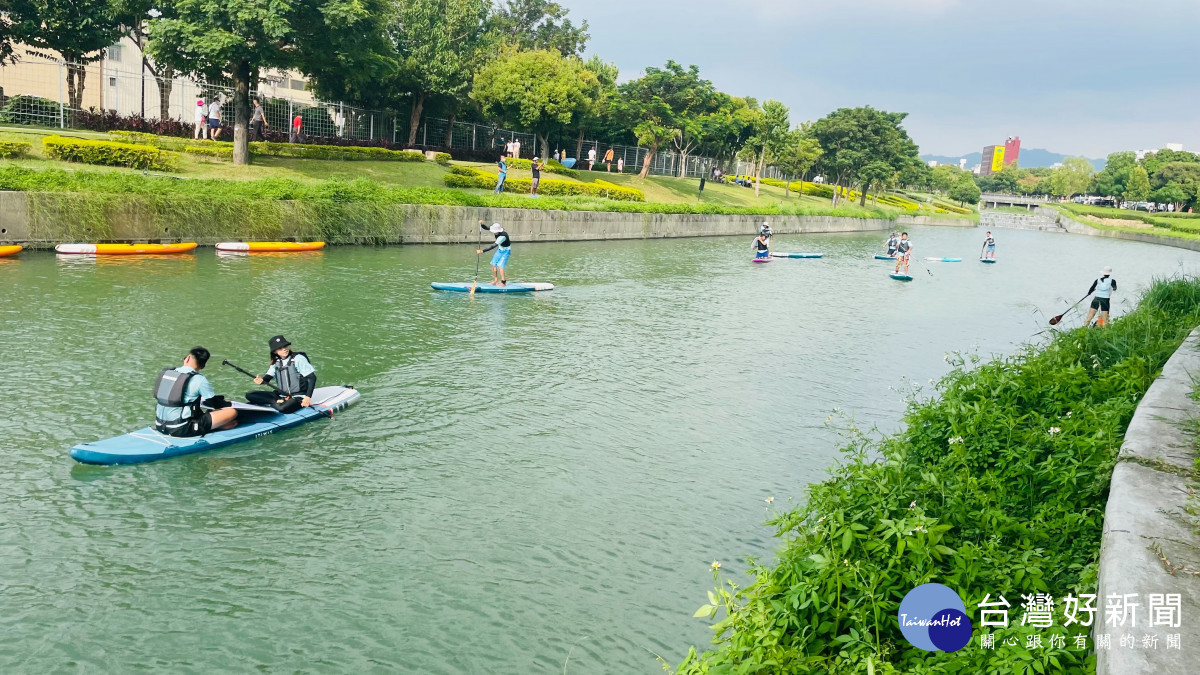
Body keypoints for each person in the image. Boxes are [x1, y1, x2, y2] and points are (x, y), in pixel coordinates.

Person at [154, 346, 237, 437]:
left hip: (159, 425)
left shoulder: (167, 373)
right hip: (180, 428)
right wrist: (228, 404)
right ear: (203, 367)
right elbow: (215, 404)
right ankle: (216, 427)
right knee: (232, 412)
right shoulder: (199, 379)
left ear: (188, 358)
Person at [249, 335, 316, 413]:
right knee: (250, 395)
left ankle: (274, 403)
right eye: (280, 348)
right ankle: (277, 401)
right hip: (281, 395)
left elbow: (312, 377)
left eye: (285, 346)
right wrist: (261, 381)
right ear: (275, 351)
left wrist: (307, 397)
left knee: (282, 408)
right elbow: (268, 378)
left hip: (298, 397)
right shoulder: (276, 362)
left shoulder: (298, 358)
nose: (284, 349)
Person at [477, 220, 512, 286]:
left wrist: (482, 251)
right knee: (493, 264)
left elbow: (493, 246)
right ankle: (495, 280)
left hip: (506, 251)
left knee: (500, 266)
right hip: (500, 249)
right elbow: (487, 227)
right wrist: (481, 224)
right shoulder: (495, 229)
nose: (493, 232)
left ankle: (503, 283)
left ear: (498, 231)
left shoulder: (503, 236)